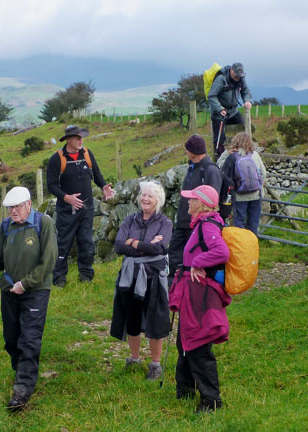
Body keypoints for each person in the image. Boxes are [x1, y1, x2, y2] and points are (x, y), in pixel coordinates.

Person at [0, 187, 58, 412]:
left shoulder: (43, 223)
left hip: (36, 291)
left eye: (17, 207)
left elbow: (48, 261)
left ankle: (22, 389)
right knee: (11, 338)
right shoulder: (6, 227)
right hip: (9, 291)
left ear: (29, 204)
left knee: (29, 339)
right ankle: (20, 371)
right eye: (10, 208)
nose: (13, 212)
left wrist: (25, 284)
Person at [168, 185, 231, 413]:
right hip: (192, 292)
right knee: (185, 340)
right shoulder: (202, 224)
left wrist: (197, 263)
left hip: (200, 295)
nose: (187, 203)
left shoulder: (207, 226)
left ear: (201, 203)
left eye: (191, 199)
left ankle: (211, 401)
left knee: (198, 343)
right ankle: (185, 389)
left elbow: (222, 252)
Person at [110, 181, 173, 379]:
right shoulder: (130, 220)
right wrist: (146, 245)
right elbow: (119, 246)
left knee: (155, 319)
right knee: (132, 318)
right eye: (143, 195)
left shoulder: (165, 223)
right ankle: (134, 358)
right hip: (130, 276)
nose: (145, 199)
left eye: (150, 196)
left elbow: (160, 249)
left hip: (154, 276)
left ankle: (155, 365)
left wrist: (135, 242)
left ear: (158, 200)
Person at [47, 125, 115, 287]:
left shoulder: (87, 154)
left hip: (86, 209)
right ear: (68, 139)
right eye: (77, 138)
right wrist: (67, 198)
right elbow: (51, 185)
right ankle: (59, 279)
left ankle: (86, 276)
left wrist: (104, 186)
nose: (80, 141)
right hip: (66, 211)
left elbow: (96, 174)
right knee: (63, 244)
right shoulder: (57, 159)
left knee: (86, 242)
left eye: (81, 137)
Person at [168, 135, 222, 283]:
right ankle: (174, 284)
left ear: (194, 151)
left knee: (192, 255)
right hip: (183, 221)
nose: (186, 151)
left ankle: (188, 284)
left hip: (197, 224)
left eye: (188, 148)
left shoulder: (210, 170)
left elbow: (212, 199)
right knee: (174, 252)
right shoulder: (192, 167)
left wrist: (201, 222)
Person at [221, 132, 266, 235]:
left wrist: (226, 153)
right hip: (256, 195)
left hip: (239, 196)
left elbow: (221, 169)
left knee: (239, 223)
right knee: (253, 223)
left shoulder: (233, 156)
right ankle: (253, 247)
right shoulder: (255, 155)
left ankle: (241, 248)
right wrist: (258, 187)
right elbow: (263, 174)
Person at [208, 62, 253, 157]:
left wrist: (247, 101)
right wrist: (220, 109)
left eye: (240, 75)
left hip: (233, 111)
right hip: (219, 113)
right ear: (231, 71)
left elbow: (246, 91)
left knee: (244, 129)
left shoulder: (241, 78)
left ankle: (243, 155)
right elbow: (212, 96)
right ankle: (219, 159)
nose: (238, 77)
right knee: (220, 138)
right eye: (236, 75)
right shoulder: (221, 79)